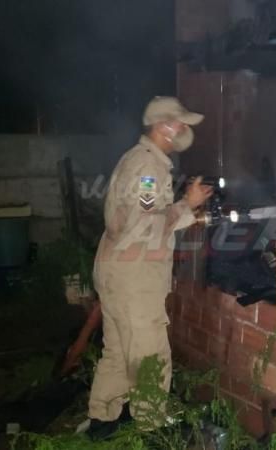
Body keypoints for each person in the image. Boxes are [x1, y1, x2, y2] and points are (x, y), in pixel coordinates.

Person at [86, 96, 213, 438]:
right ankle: (152, 429)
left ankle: (103, 420)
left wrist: (185, 209)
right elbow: (146, 224)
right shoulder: (148, 168)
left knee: (117, 348)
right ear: (163, 125)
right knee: (149, 352)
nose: (185, 130)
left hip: (115, 270)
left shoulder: (138, 159)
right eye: (181, 123)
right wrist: (188, 204)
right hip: (134, 276)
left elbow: (141, 217)